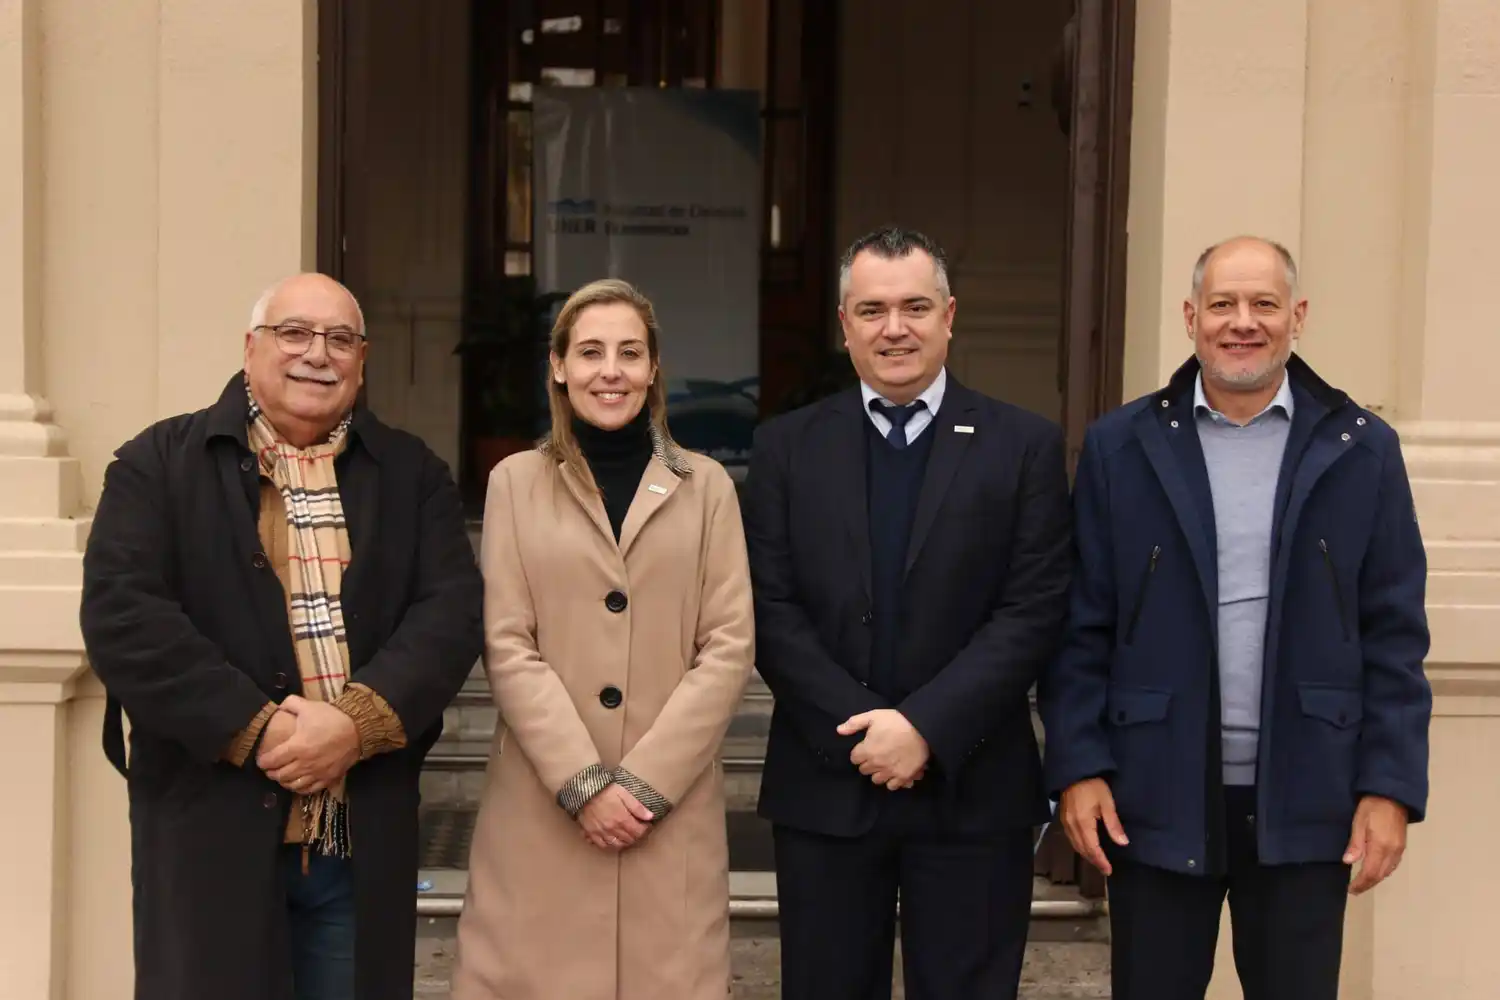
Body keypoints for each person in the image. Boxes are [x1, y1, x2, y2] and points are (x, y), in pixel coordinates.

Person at [1039, 236, 1432, 1000]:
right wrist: (1078, 766)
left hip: (1310, 798)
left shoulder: (1362, 450)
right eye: (1222, 304)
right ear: (1191, 317)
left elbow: (1393, 634)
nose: (1241, 322)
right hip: (1153, 797)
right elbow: (1080, 624)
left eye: (1263, 304)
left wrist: (1389, 786)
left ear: (1299, 317)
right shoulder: (1124, 447)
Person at [79, 273, 484, 1000]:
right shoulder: (157, 465)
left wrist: (354, 724)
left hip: (356, 843)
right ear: (250, 348)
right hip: (210, 829)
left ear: (363, 360)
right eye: (294, 334)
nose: (316, 356)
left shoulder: (413, 475)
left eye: (340, 340)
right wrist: (259, 729)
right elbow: (126, 617)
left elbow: (450, 616)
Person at [741, 226, 1073, 1000]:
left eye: (916, 307)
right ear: (843, 323)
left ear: (950, 315)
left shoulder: (1023, 446)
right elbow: (768, 607)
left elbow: (1033, 610)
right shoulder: (787, 447)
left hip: (973, 787)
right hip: (828, 783)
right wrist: (863, 729)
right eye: (874, 310)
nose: (895, 329)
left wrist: (924, 727)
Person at [450, 278, 754, 1000]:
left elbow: (730, 645)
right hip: (543, 806)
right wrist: (584, 784)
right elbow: (508, 643)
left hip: (667, 814)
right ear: (558, 366)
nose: (608, 371)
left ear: (653, 369)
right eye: (589, 352)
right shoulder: (514, 483)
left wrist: (643, 786)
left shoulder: (708, 486)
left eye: (628, 352)